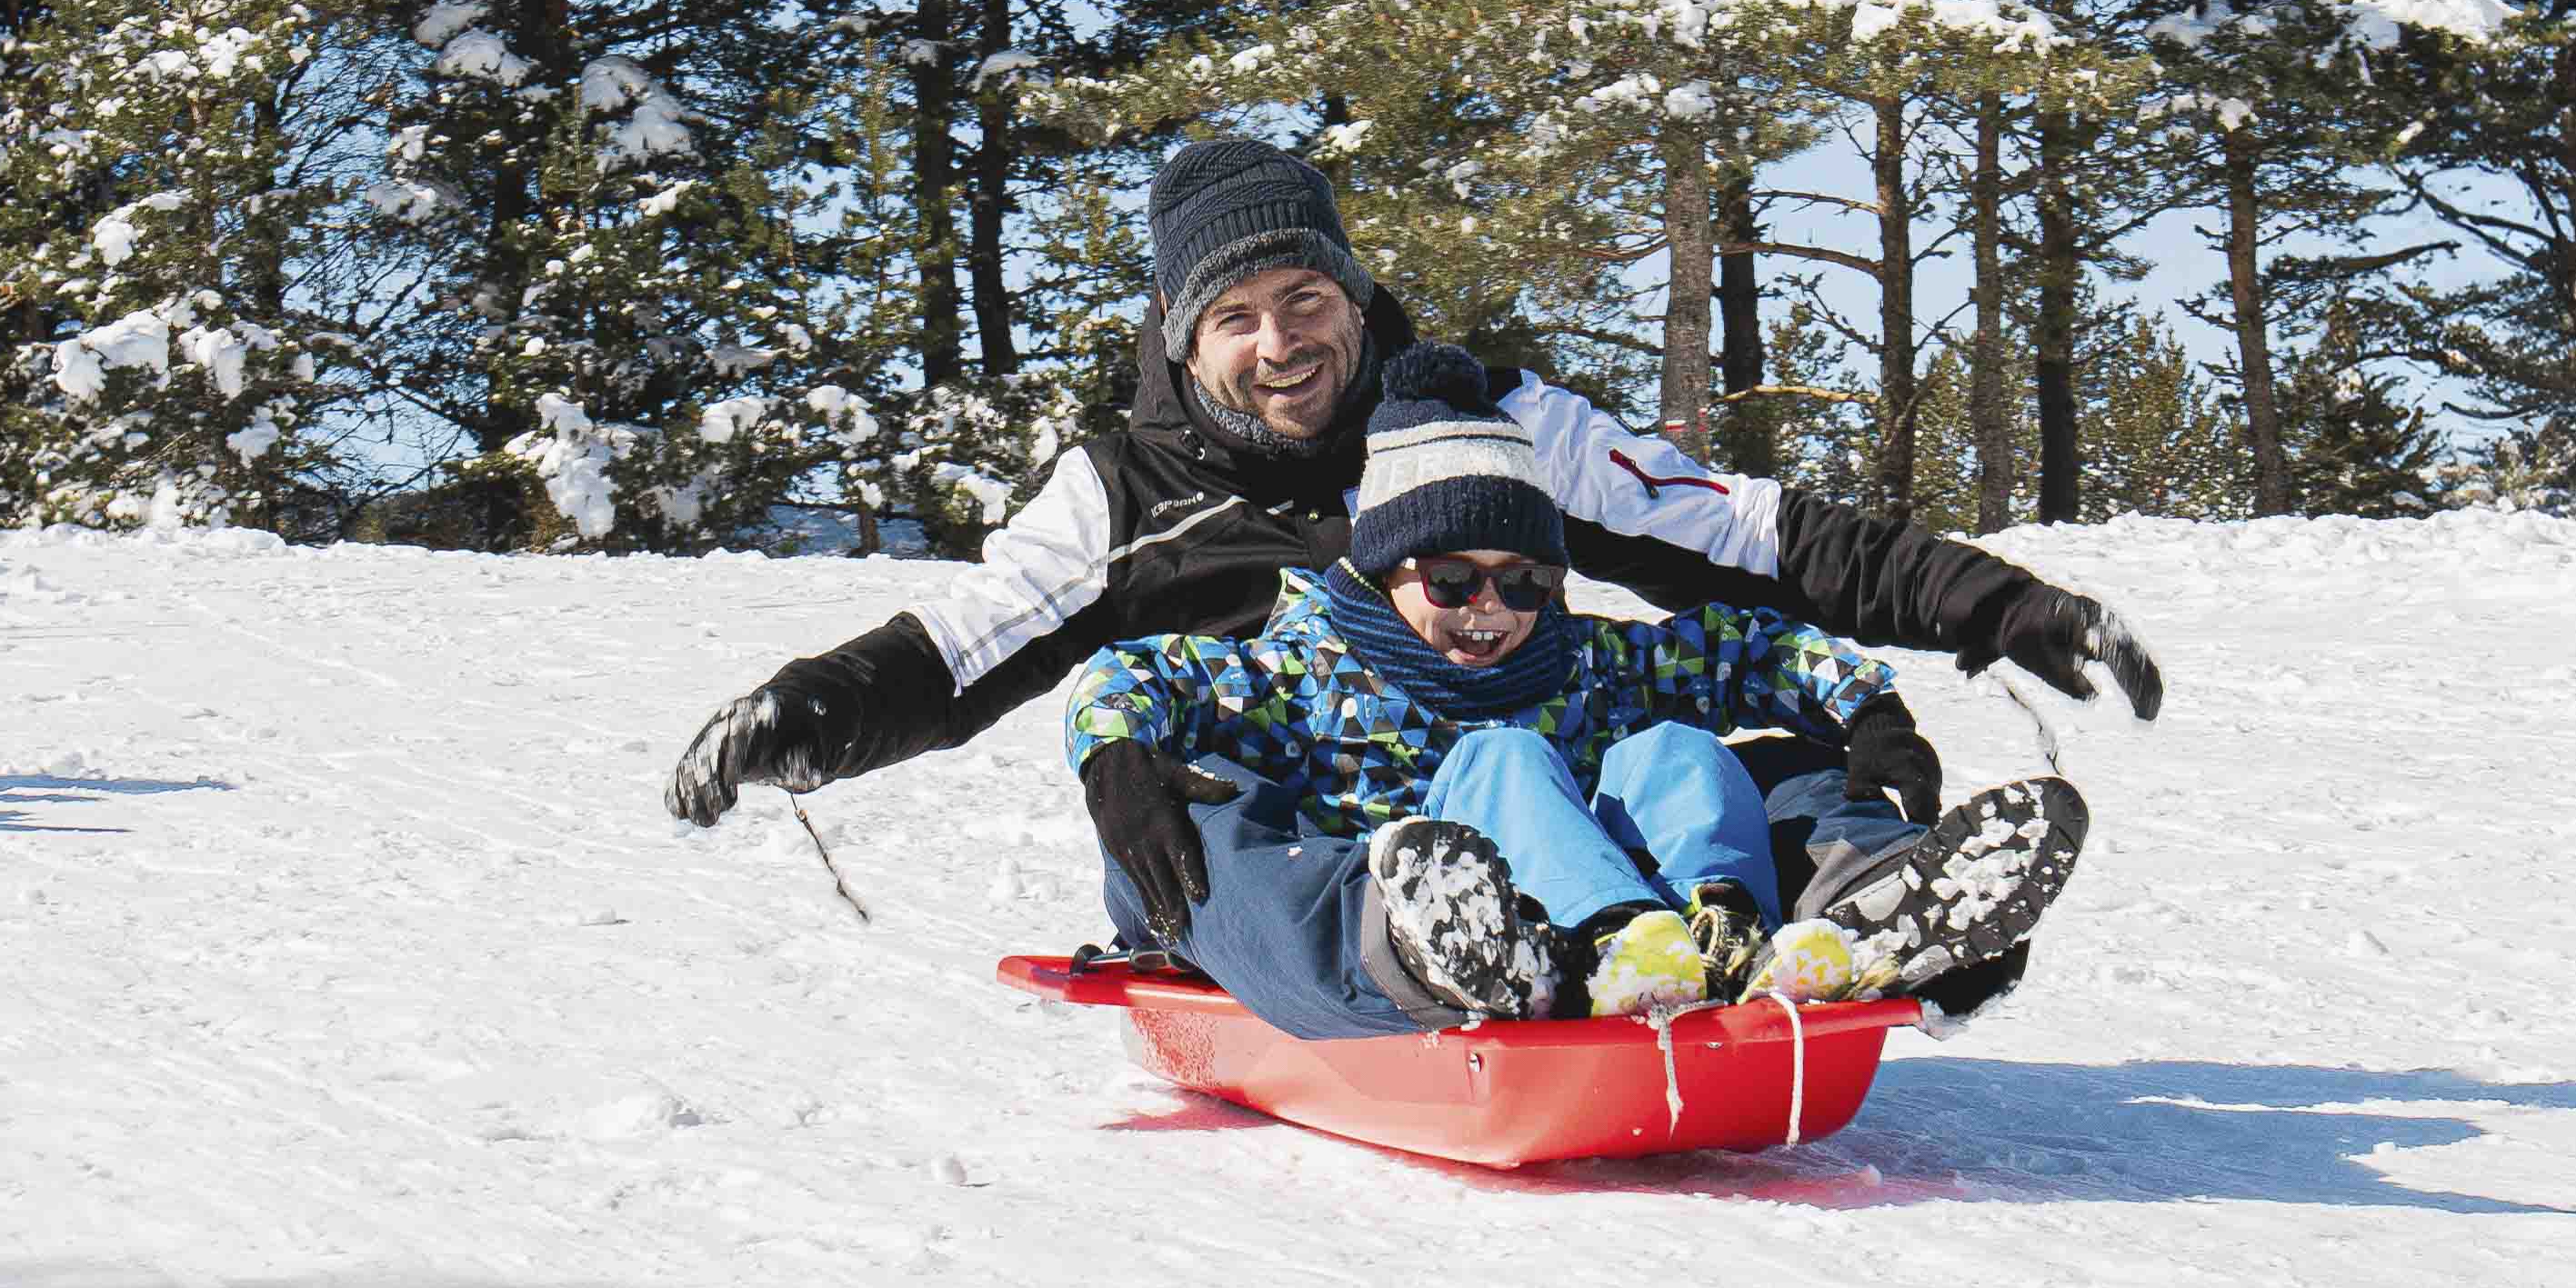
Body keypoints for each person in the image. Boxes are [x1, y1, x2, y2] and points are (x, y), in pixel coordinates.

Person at [663, 140, 2160, 868]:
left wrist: (1995, 600)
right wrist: (799, 713)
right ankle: (1402, 933)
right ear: (1183, 336)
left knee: (1698, 752)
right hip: (1302, 826)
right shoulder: (1119, 489)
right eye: (1235, 313)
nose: (1281, 340)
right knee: (1237, 810)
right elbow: (967, 639)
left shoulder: (1483, 418)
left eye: (1304, 294)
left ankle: (1851, 889)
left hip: (1527, 793)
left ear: (1351, 293)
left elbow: (1743, 533)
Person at [1064, 352, 2084, 1039]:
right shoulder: (1302, 666)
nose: (1490, 607)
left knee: (1694, 749)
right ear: (1381, 571)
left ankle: (1855, 912)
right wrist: (1114, 760)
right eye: (1453, 580)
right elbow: (1132, 672)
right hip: (1377, 884)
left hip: (1662, 927)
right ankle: (1445, 952)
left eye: (1524, 581)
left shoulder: (1580, 662)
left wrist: (1869, 715)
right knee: (1239, 812)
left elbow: (1751, 648)